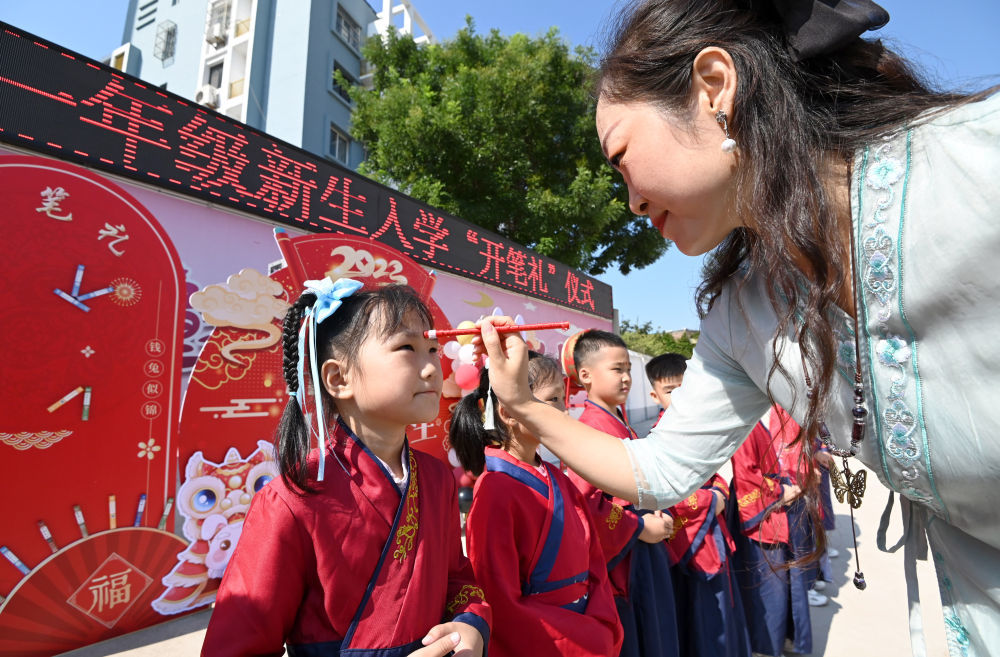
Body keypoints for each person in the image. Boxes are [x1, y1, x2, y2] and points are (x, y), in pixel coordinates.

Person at [476, 1, 1000, 654]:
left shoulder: (976, 161)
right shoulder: (743, 313)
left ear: (715, 87)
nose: (632, 200)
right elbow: (662, 471)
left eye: (621, 157)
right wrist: (522, 404)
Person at [201, 279, 490, 657]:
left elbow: (457, 578)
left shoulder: (436, 479)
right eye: (407, 347)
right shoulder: (293, 497)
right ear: (338, 378)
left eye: (433, 349)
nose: (432, 367)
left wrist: (470, 626)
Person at [450, 352, 623, 657]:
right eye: (552, 399)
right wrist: (587, 636)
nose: (562, 410)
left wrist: (602, 621)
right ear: (508, 412)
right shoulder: (493, 490)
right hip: (549, 641)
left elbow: (592, 556)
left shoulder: (558, 477)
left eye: (562, 398)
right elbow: (501, 601)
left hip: (589, 626)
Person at [569, 330, 679, 657]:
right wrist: (639, 527)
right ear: (585, 375)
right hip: (626, 559)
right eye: (617, 369)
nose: (627, 378)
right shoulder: (588, 429)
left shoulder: (620, 424)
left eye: (628, 369)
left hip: (642, 545)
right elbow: (588, 505)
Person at [646, 353, 751, 657]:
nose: (677, 397)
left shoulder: (695, 427)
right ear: (654, 395)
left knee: (720, 610)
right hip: (690, 536)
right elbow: (665, 494)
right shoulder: (658, 436)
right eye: (669, 390)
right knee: (704, 617)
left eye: (683, 388)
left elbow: (715, 472)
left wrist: (719, 491)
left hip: (709, 529)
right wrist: (712, 500)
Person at [729, 406, 820, 656]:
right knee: (770, 591)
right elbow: (746, 475)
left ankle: (785, 640)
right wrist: (780, 492)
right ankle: (766, 648)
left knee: (788, 583)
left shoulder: (772, 411)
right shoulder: (746, 424)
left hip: (784, 504)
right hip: (766, 514)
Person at [644, 352, 686, 424]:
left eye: (687, 388)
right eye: (670, 391)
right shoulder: (660, 433)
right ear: (655, 396)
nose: (680, 395)